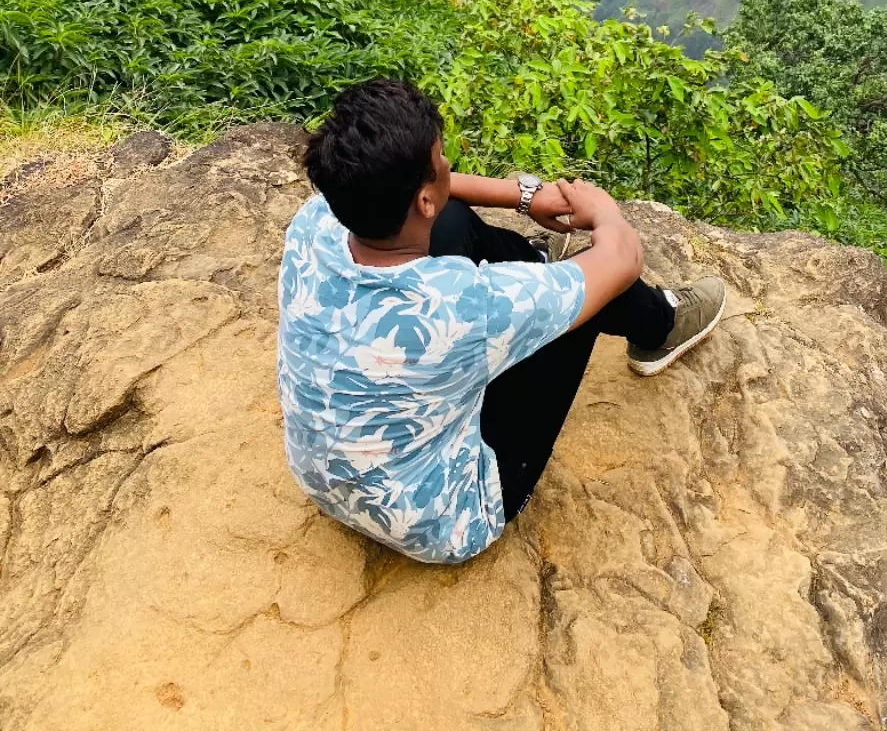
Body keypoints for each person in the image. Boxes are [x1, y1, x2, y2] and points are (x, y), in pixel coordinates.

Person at [277, 77, 727, 564]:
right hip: (445, 522)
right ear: (423, 194)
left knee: (451, 223)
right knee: (591, 298)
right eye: (440, 158)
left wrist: (524, 197)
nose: (448, 164)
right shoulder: (463, 306)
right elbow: (622, 260)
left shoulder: (314, 223)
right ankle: (662, 327)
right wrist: (604, 212)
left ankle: (532, 266)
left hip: (324, 481)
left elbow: (436, 200)